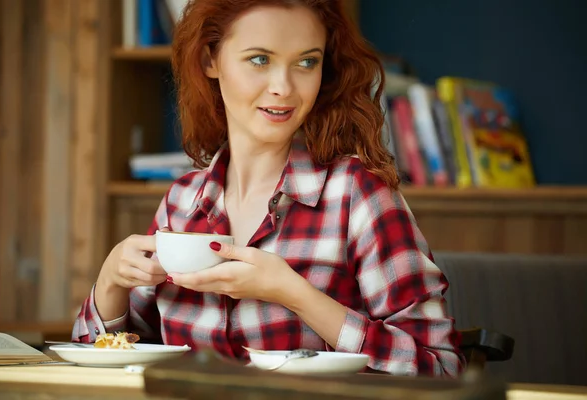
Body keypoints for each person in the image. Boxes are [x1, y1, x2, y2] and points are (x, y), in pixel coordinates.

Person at [72, 0, 464, 377]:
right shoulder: (182, 201)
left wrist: (295, 294)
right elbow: (108, 359)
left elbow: (440, 369)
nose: (284, 87)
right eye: (260, 59)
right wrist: (110, 280)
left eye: (306, 62)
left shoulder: (356, 194)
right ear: (211, 60)